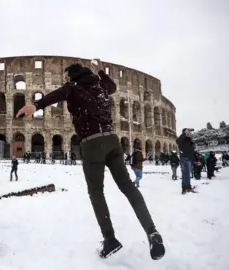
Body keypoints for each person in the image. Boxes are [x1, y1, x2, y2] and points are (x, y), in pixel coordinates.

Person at [16, 59, 165, 260]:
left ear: (71, 76)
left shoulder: (73, 87)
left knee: (96, 191)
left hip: (92, 142)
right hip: (112, 140)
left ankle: (110, 239)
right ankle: (152, 231)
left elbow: (55, 96)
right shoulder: (100, 86)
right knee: (128, 186)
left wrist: (36, 105)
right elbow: (111, 86)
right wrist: (102, 72)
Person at [176, 128, 196, 194]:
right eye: (188, 132)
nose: (189, 133)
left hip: (190, 159)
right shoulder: (182, 140)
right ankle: (185, 188)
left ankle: (187, 187)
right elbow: (178, 141)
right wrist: (184, 133)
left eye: (189, 132)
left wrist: (195, 160)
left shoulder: (189, 140)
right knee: (185, 175)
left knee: (187, 175)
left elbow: (192, 151)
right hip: (184, 159)